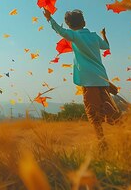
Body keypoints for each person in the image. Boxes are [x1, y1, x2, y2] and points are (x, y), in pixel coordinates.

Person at [43, 8, 120, 145]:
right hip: (102, 78)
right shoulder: (94, 36)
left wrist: (49, 18)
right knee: (109, 108)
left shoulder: (74, 36)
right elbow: (106, 46)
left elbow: (59, 31)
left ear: (69, 25)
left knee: (93, 112)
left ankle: (102, 142)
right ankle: (125, 133)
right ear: (84, 22)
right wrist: (103, 35)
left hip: (88, 80)